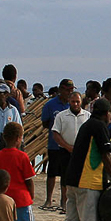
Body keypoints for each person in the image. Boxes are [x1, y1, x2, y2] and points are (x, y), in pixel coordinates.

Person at [41, 79, 73, 209]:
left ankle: (63, 201)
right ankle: (48, 199)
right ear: (61, 90)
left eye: (71, 90)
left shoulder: (72, 105)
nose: (69, 92)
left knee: (65, 175)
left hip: (68, 145)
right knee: (52, 172)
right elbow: (45, 123)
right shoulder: (51, 105)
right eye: (66, 90)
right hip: (54, 144)